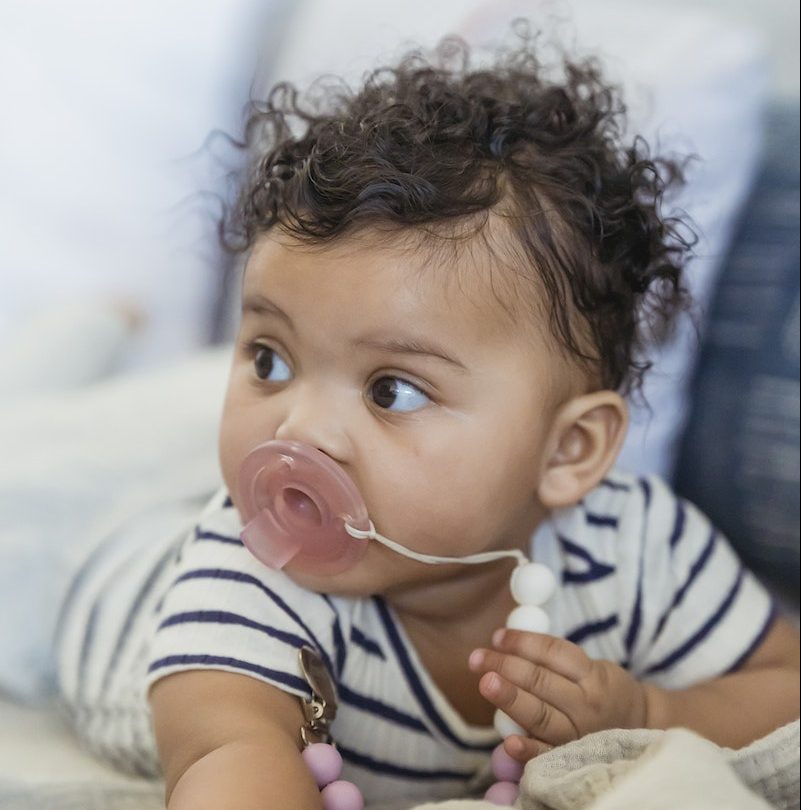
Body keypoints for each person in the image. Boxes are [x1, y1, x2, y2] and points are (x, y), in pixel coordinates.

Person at [57, 37, 800, 809]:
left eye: (392, 391)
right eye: (269, 360)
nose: (298, 430)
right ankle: (82, 342)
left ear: (569, 450)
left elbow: (785, 687)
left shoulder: (638, 550)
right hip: (116, 579)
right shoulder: (254, 569)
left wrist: (652, 714)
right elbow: (230, 758)